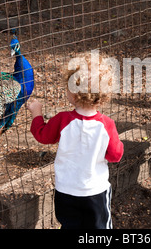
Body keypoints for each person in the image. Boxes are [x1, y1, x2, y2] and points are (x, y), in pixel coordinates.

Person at [27, 52, 124, 229]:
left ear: (72, 94)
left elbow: (42, 135)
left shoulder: (62, 120)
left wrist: (36, 113)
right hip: (95, 192)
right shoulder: (107, 125)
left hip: (66, 191)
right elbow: (116, 155)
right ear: (103, 94)